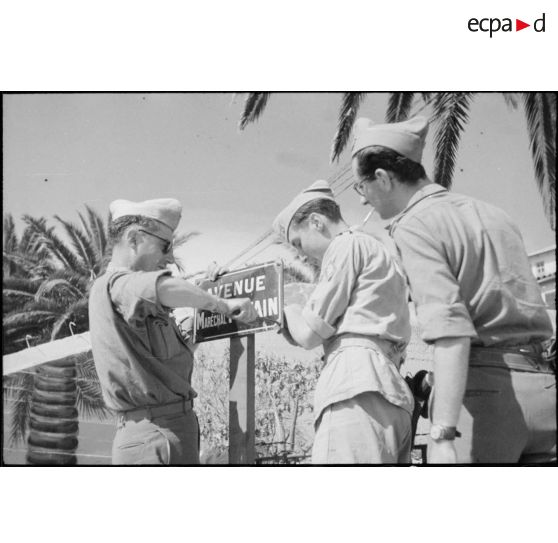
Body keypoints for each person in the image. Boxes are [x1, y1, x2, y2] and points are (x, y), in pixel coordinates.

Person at [350, 115, 556, 464]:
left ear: (382, 179)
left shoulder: (414, 224)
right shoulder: (495, 214)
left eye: (361, 187)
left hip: (485, 401)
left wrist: (443, 432)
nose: (363, 201)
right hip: (545, 391)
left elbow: (451, 333)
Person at [89, 198, 257, 464]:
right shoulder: (117, 285)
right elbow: (165, 288)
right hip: (154, 435)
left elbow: (175, 359)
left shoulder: (138, 305)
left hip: (166, 431)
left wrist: (215, 288)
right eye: (164, 245)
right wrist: (222, 304)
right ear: (134, 239)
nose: (168, 257)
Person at [272, 180, 414, 464]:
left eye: (298, 242)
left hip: (356, 386)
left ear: (316, 221)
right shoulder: (376, 250)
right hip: (389, 391)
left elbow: (309, 334)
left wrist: (286, 310)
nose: (300, 254)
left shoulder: (344, 245)